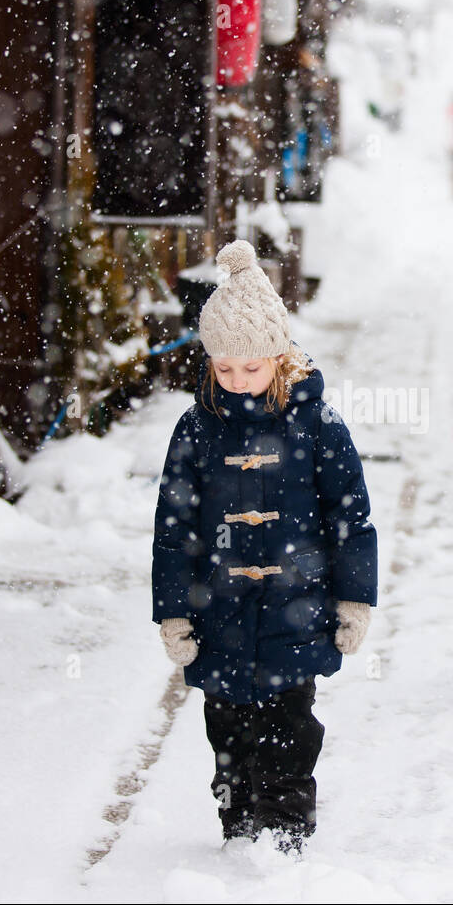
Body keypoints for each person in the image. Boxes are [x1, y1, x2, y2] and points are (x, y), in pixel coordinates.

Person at [151, 240, 378, 853]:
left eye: (251, 368)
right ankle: (236, 827)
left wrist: (354, 602)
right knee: (224, 731)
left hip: (295, 609)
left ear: (280, 357)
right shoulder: (197, 427)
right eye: (223, 369)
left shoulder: (318, 425)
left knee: (290, 728)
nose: (238, 381)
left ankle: (284, 837)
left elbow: (351, 518)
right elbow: (173, 526)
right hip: (218, 609)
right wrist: (173, 611)